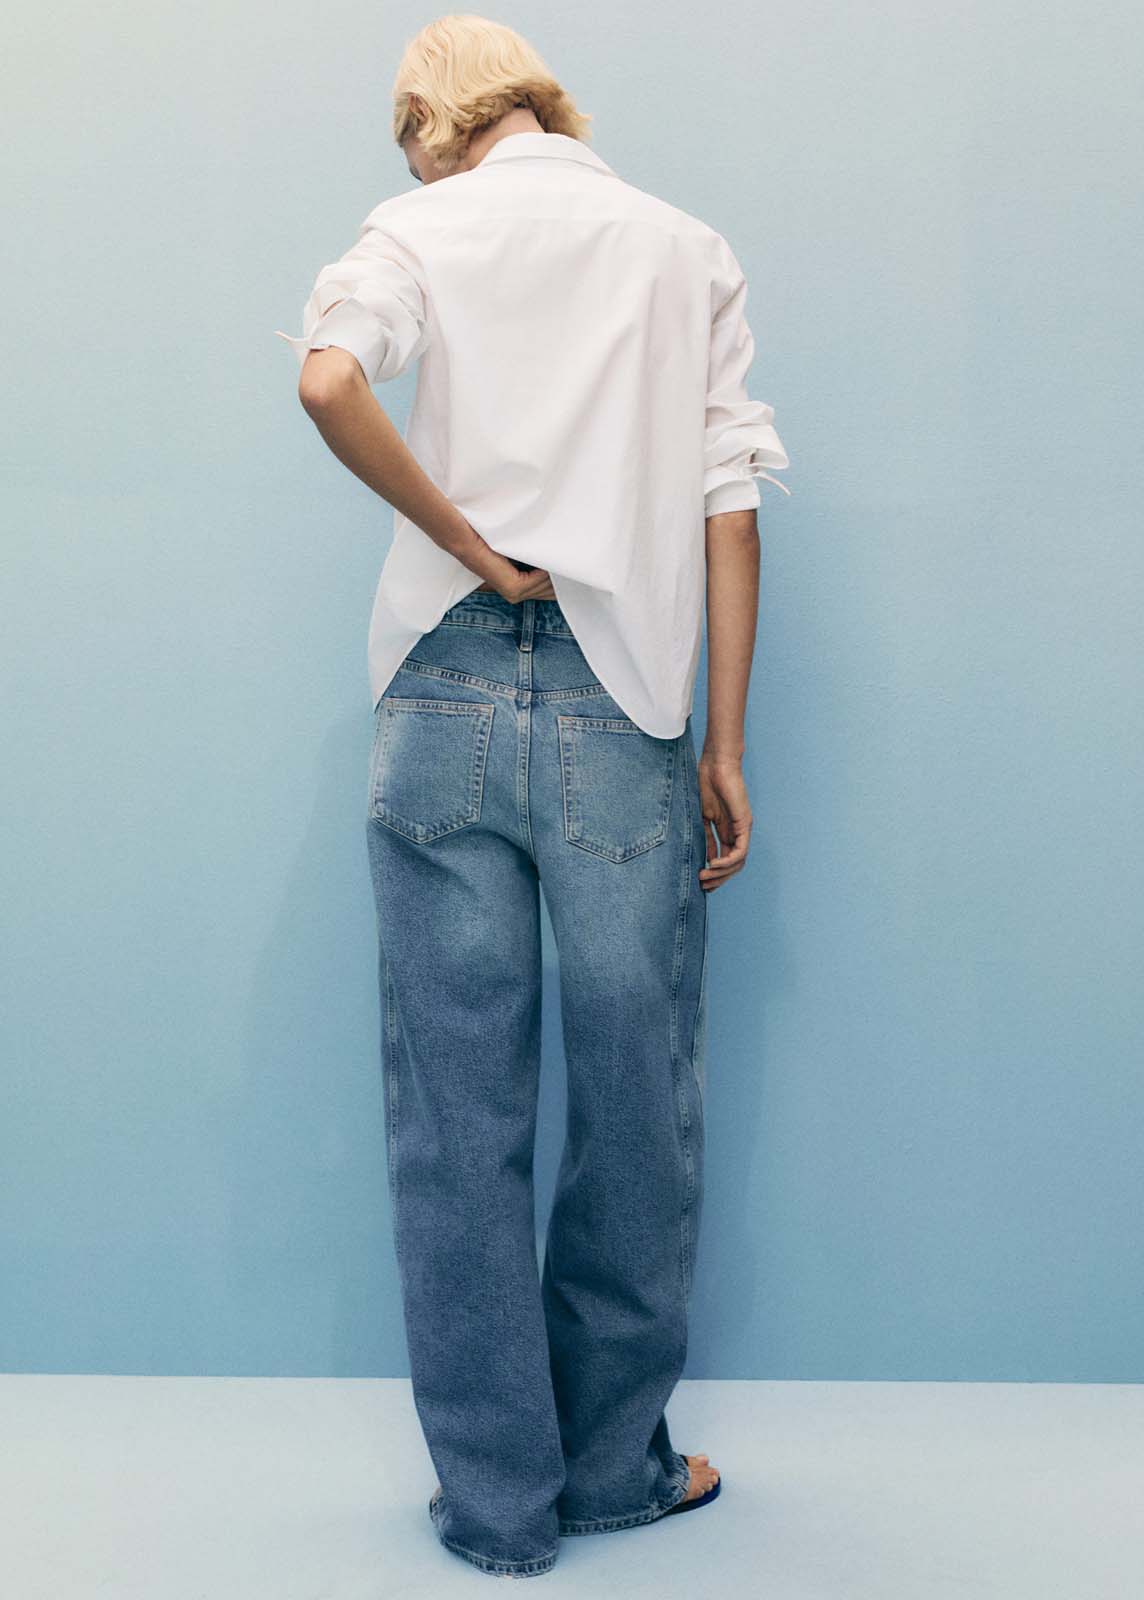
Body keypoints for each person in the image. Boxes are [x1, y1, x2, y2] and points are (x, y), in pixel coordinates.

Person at [275, 13, 790, 1580]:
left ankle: (497, 1510)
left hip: (438, 693)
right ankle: (615, 1470)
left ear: (432, 119)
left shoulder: (418, 228)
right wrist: (723, 746)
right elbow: (729, 504)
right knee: (639, 1105)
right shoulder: (683, 248)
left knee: (455, 1119)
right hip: (620, 702)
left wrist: (463, 541)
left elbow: (328, 379)